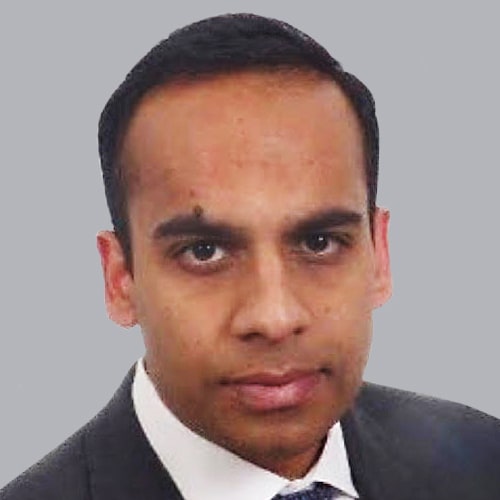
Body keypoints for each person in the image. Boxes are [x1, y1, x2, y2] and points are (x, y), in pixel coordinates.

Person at [1, 12, 499, 500]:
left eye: (319, 242)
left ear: (379, 255)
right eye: (204, 251)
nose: (274, 318)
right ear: (119, 280)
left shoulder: (483, 459)